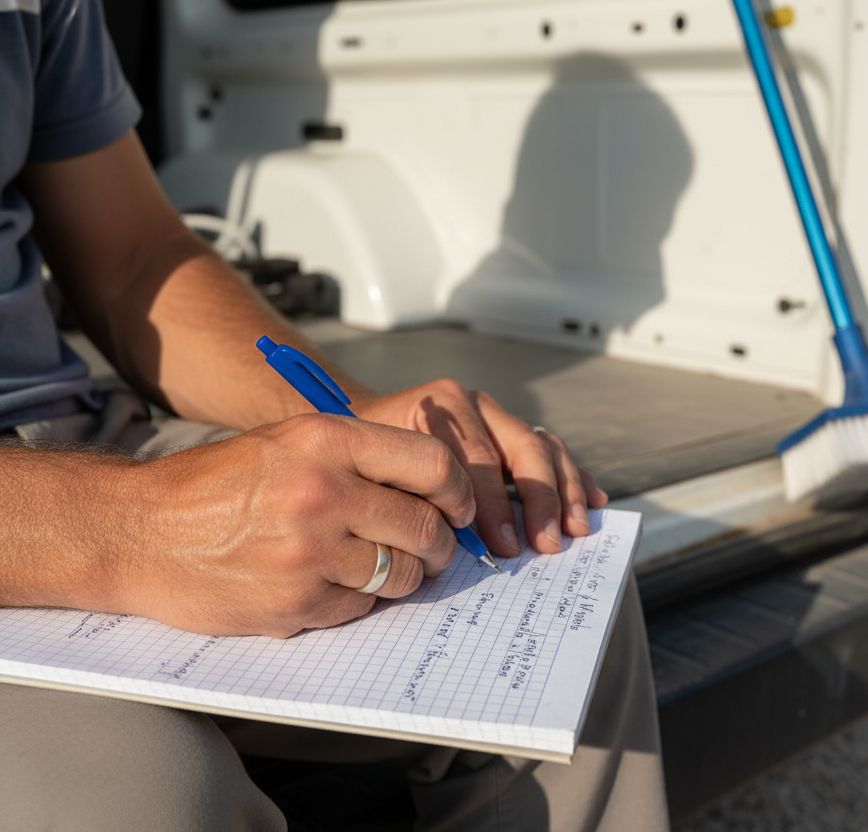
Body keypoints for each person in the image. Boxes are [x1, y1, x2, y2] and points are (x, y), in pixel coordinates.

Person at [0, 1, 669, 829]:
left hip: (81, 437)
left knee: (558, 594)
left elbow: (133, 256)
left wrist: (354, 427)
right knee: (146, 795)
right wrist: (129, 529)